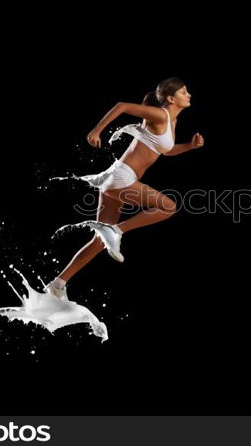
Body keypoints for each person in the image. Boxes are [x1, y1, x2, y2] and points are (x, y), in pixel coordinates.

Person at [46, 77, 204, 299]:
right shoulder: (160, 115)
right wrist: (96, 131)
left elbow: (165, 151)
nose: (189, 95)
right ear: (171, 98)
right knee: (168, 207)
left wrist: (190, 146)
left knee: (99, 241)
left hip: (117, 177)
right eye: (184, 91)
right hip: (122, 178)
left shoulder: (171, 122)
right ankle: (117, 231)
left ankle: (57, 284)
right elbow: (121, 106)